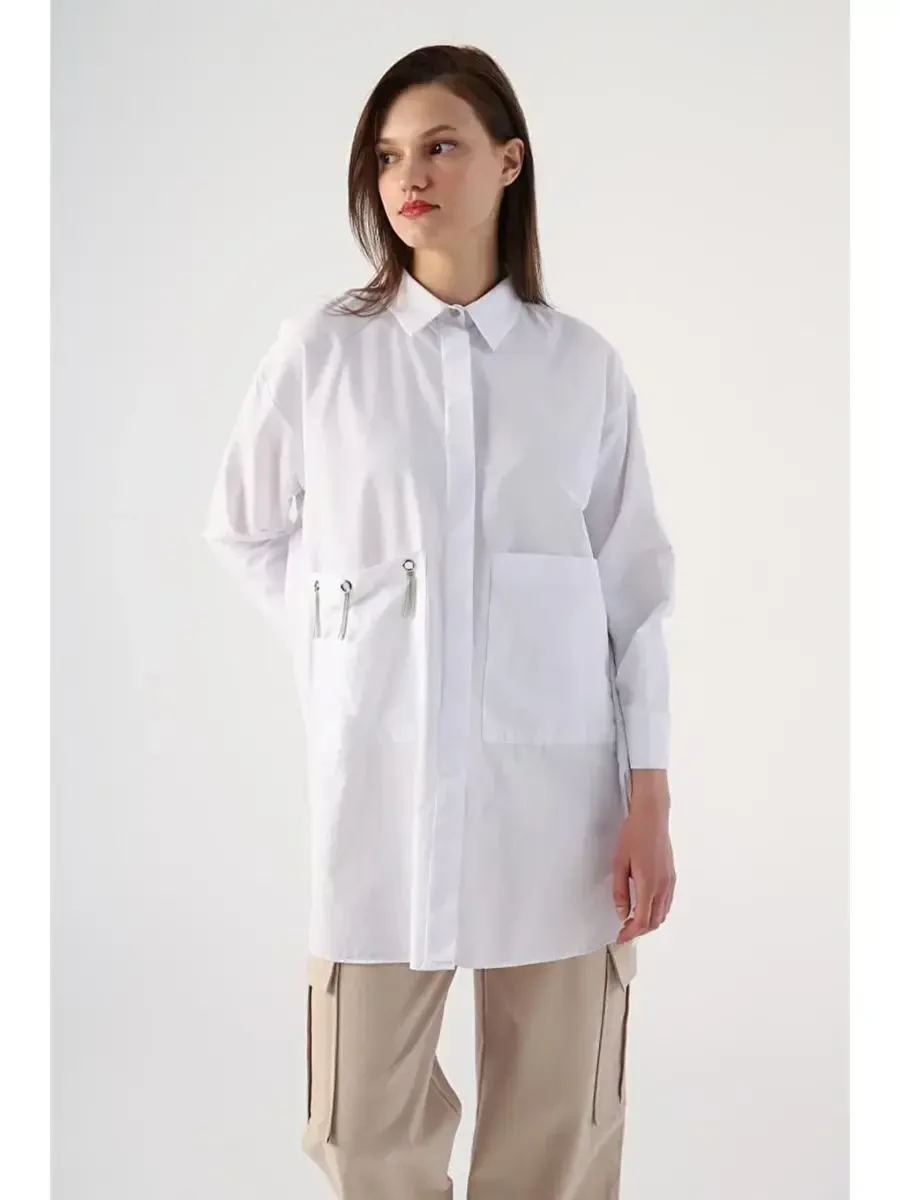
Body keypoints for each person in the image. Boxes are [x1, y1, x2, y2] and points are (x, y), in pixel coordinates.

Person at [202, 41, 677, 1200]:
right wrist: (346, 657)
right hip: (380, 796)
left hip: (559, 807)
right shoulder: (324, 353)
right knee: (362, 1130)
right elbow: (246, 529)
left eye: (441, 147)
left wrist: (650, 800)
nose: (408, 176)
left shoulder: (581, 369)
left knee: (555, 1135)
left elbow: (635, 593)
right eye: (387, 155)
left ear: (510, 162)